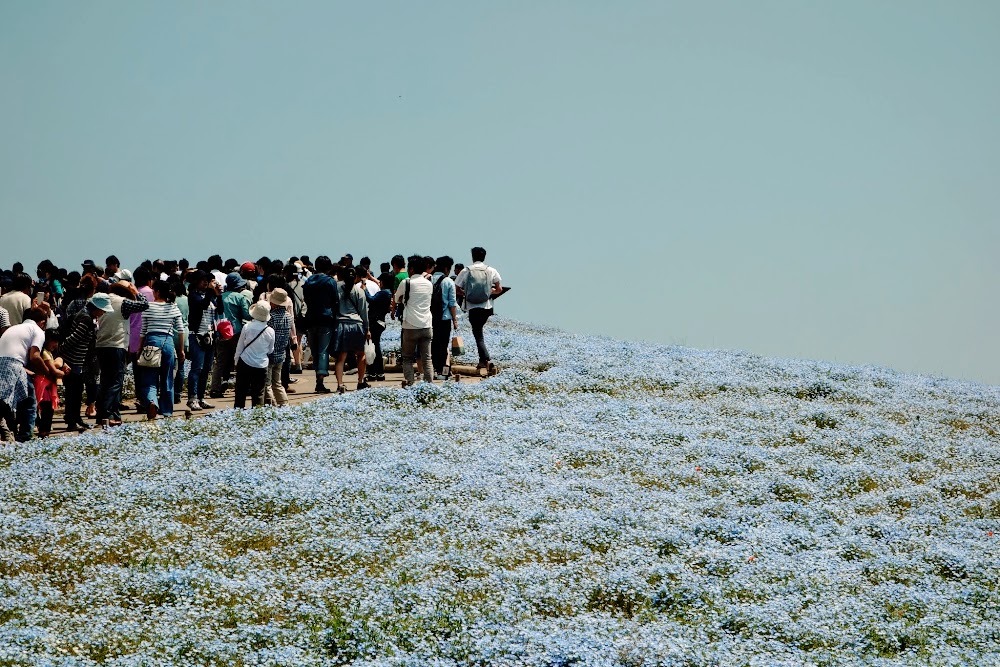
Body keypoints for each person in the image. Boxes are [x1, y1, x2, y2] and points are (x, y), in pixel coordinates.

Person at [95, 281, 148, 426]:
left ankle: (106, 414)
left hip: (101, 345)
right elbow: (144, 304)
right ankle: (107, 413)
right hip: (116, 345)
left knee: (105, 381)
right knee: (116, 381)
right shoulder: (122, 302)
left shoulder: (103, 300)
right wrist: (136, 291)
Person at [60, 293, 113, 431]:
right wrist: (60, 352)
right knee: (73, 393)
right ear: (96, 307)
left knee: (77, 391)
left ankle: (76, 419)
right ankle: (72, 422)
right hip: (74, 360)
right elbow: (75, 338)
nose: (103, 313)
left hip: (78, 360)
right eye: (102, 310)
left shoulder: (86, 315)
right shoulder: (86, 318)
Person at [0, 307, 50, 441]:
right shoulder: (37, 330)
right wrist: (47, 372)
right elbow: (35, 356)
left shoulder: (14, 328)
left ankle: (16, 434)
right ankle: (25, 437)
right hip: (12, 364)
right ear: (42, 322)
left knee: (25, 396)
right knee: (23, 402)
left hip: (7, 362)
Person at [138, 281, 185, 420]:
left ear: (157, 292)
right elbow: (180, 330)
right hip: (168, 343)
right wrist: (181, 350)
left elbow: (143, 331)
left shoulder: (148, 307)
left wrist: (139, 349)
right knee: (168, 379)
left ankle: (152, 401)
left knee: (149, 379)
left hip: (151, 342)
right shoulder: (173, 307)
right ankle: (167, 412)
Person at [455, 246, 502, 371]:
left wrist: (466, 293)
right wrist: (489, 292)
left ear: (472, 257)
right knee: (479, 332)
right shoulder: (491, 270)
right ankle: (482, 361)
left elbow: (456, 288)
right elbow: (499, 289)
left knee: (478, 334)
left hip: (472, 306)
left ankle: (486, 358)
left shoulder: (466, 270)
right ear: (484, 257)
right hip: (486, 307)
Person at [209, 273, 252, 398]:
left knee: (220, 362)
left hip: (221, 332)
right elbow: (246, 315)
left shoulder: (220, 297)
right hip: (236, 333)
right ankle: (242, 387)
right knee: (240, 361)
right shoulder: (240, 297)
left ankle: (215, 389)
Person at [394, 255, 434, 387]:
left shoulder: (406, 282)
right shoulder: (429, 284)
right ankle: (429, 386)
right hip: (426, 324)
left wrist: (403, 300)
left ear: (411, 269)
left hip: (410, 325)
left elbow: (396, 299)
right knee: (427, 358)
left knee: (407, 358)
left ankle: (410, 384)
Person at [302, 255, 339, 393]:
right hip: (326, 318)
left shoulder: (309, 281)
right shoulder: (330, 281)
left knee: (315, 349)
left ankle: (318, 378)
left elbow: (305, 298)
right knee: (323, 350)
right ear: (328, 267)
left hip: (311, 318)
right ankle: (320, 381)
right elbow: (335, 300)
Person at [333, 266, 371, 393]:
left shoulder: (336, 288)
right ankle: (360, 381)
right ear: (356, 277)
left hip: (341, 324)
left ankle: (340, 384)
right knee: (360, 354)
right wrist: (367, 329)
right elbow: (364, 312)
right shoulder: (359, 291)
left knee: (341, 357)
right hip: (357, 324)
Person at [185, 271, 219, 412]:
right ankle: (192, 398)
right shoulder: (193, 296)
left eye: (207, 280)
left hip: (210, 336)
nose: (205, 282)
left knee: (206, 369)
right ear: (196, 282)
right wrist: (211, 293)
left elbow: (220, 309)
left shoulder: (209, 296)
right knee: (196, 368)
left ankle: (200, 397)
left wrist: (219, 295)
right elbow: (203, 306)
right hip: (197, 335)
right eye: (202, 280)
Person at [233, 301, 274, 408]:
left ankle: (237, 415)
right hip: (261, 364)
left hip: (245, 361)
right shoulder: (270, 331)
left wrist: (236, 361)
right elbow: (270, 350)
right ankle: (257, 417)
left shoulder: (247, 327)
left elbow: (240, 346)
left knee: (240, 392)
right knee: (259, 393)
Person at [431, 256, 460, 379]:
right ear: (447, 268)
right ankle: (442, 373)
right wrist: (454, 319)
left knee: (433, 344)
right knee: (443, 346)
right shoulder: (448, 281)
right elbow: (452, 303)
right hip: (445, 317)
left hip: (430, 317)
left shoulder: (429, 279)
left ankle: (434, 369)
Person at [34, 329, 66, 437]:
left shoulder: (49, 353)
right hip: (43, 385)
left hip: (46, 384)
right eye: (54, 341)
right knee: (47, 408)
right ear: (46, 340)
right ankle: (44, 432)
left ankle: (43, 431)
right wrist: (63, 372)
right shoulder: (45, 354)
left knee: (46, 409)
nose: (56, 344)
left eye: (57, 342)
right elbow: (54, 371)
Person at [265, 288, 292, 406]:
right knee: (278, 382)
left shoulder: (271, 317)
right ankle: (284, 403)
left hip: (270, 353)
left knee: (267, 384)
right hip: (281, 353)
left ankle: (272, 405)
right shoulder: (288, 316)